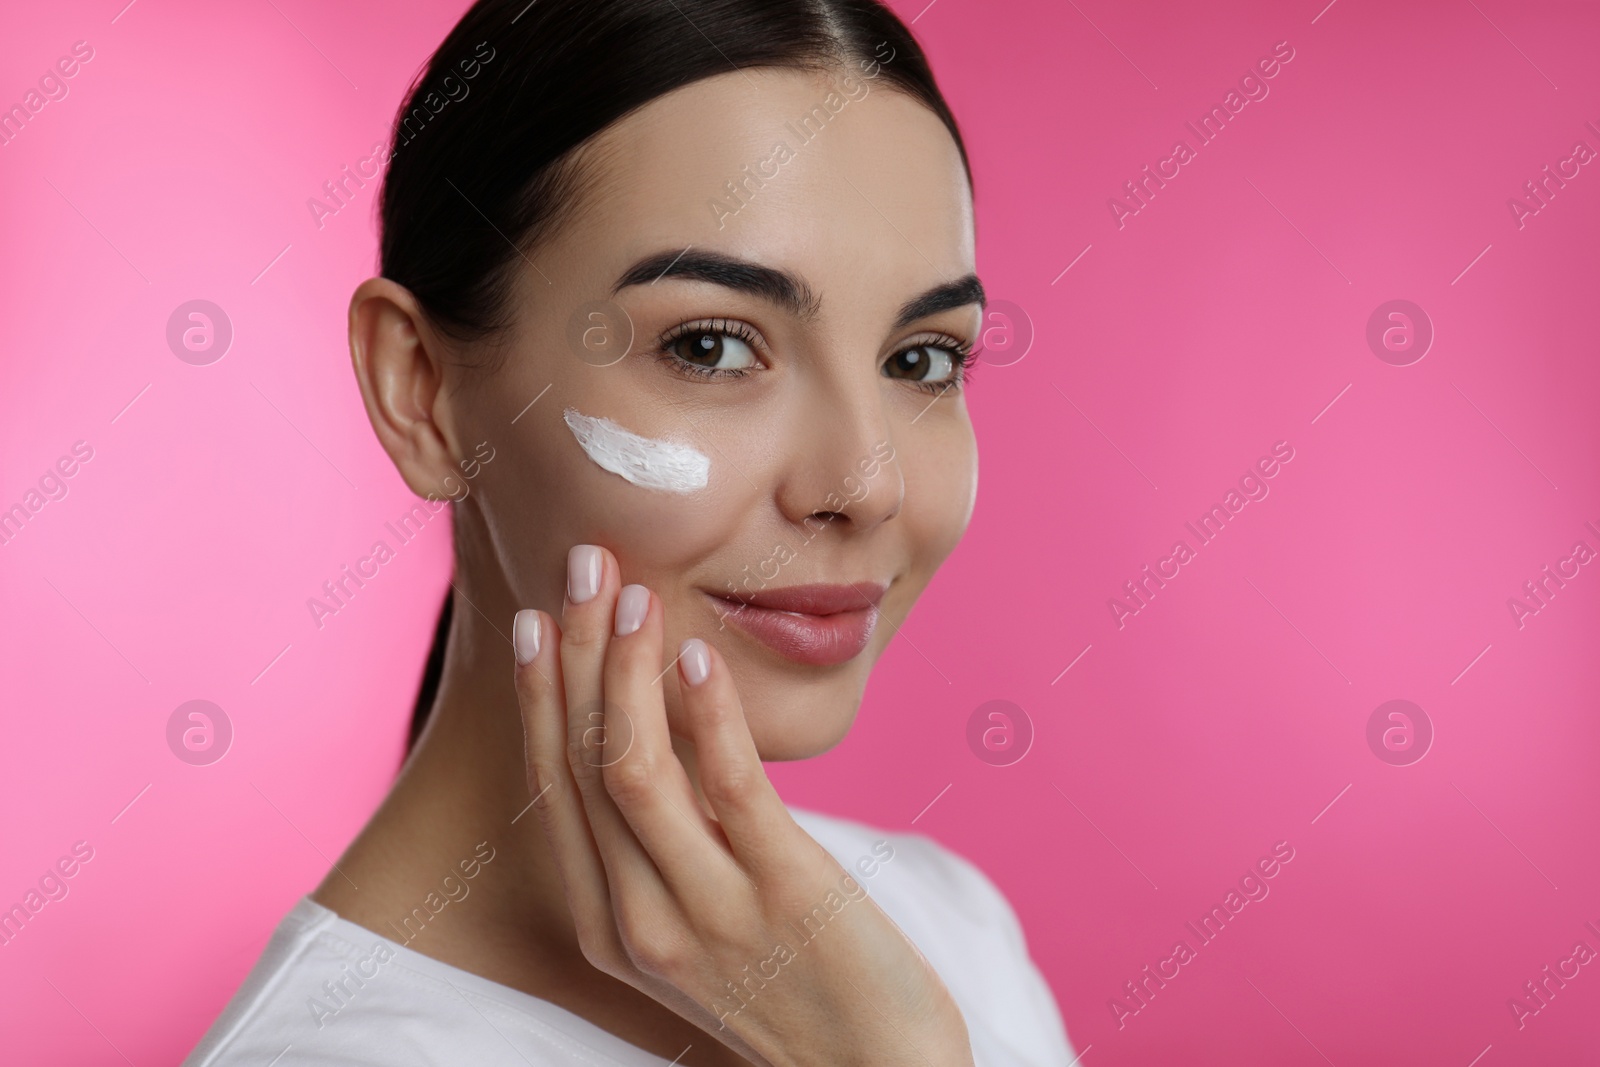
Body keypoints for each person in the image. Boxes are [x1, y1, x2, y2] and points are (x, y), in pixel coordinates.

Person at [184, 0, 1075, 1063]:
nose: (864, 484)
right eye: (709, 345)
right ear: (420, 390)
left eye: (921, 358)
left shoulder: (943, 928)